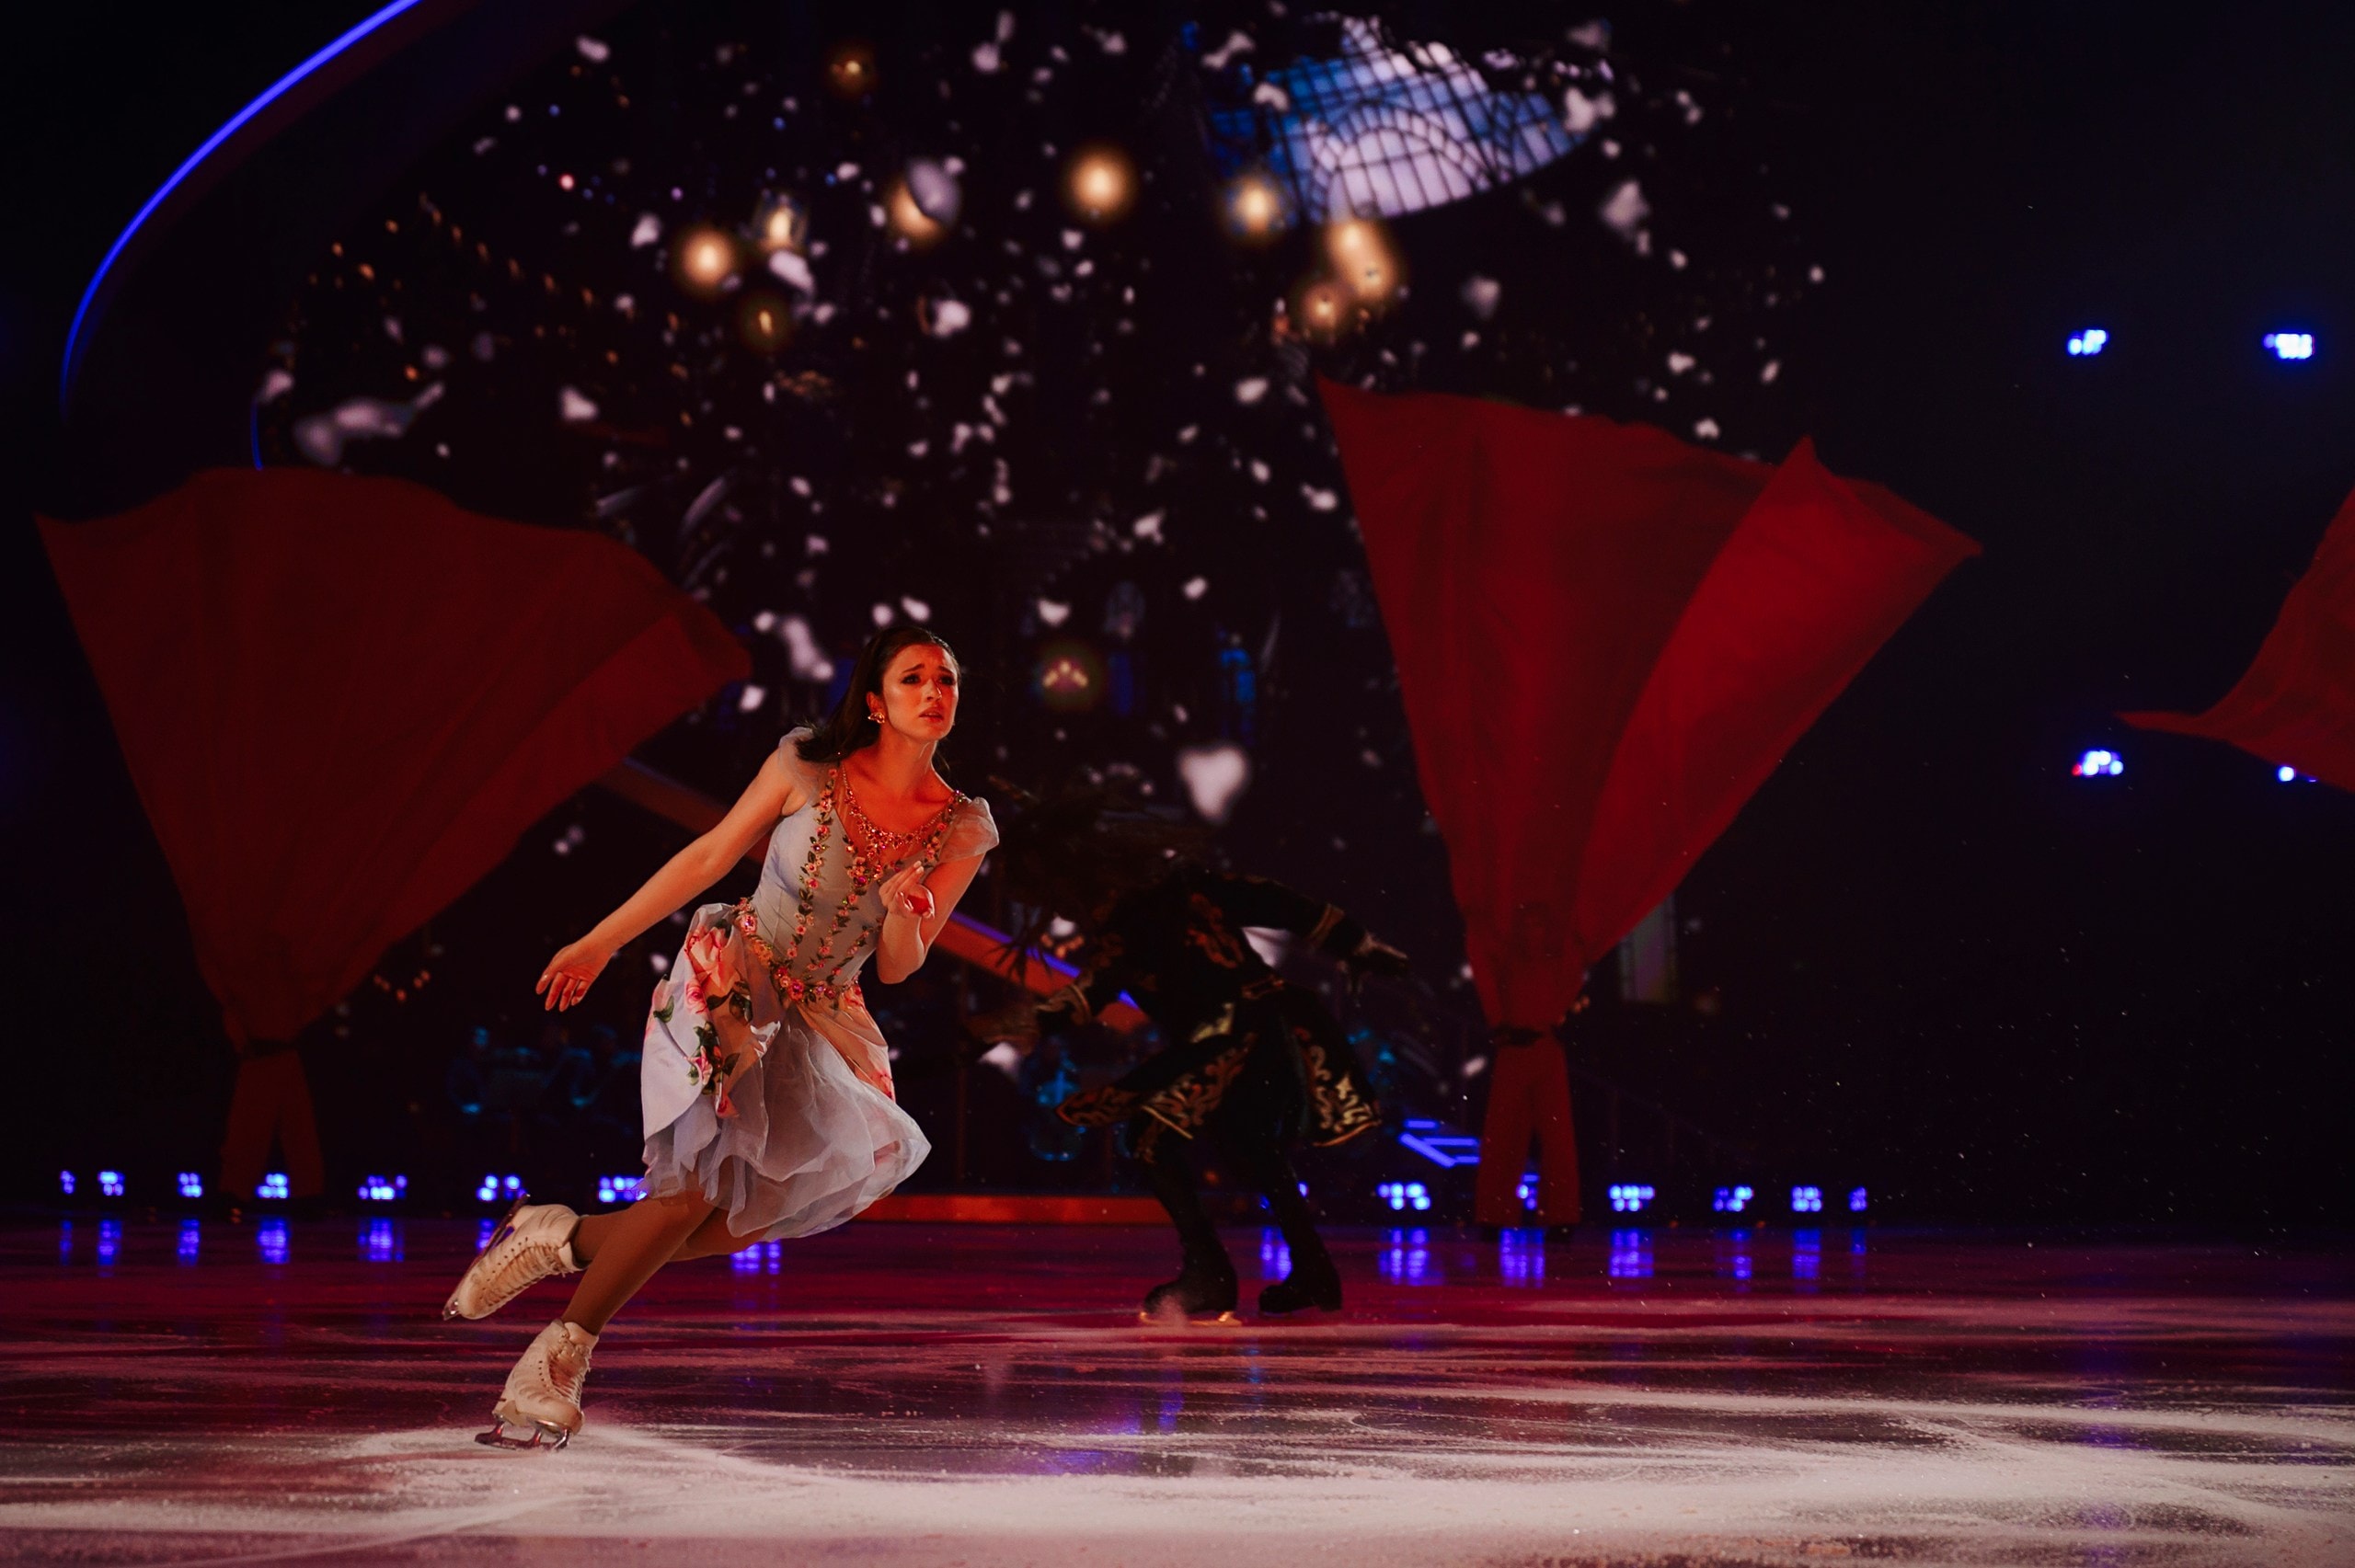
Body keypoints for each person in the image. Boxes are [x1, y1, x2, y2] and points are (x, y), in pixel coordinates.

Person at [440, 624, 995, 1448]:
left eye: (945, 679)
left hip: (821, 1017)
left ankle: (560, 1236)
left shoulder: (960, 824)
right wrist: (601, 941)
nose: (934, 692)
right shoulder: (807, 765)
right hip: (734, 978)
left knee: (751, 1213)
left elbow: (898, 965)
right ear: (876, 701)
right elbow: (708, 857)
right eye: (913, 677)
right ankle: (553, 1365)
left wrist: (907, 915)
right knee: (696, 1186)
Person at [987, 783, 1407, 1322]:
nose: (1057, 907)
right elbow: (1276, 901)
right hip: (1269, 1022)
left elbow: (1094, 989)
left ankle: (1213, 1273)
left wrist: (1031, 1021)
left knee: (1151, 1137)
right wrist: (1355, 942)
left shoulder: (1130, 921)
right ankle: (1310, 1269)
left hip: (1236, 1033)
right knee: (1252, 1148)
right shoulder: (1180, 889)